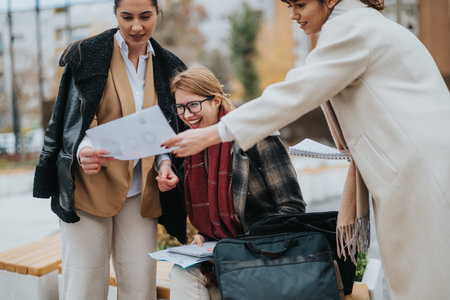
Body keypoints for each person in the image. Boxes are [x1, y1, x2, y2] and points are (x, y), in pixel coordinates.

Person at [163, 0, 450, 299]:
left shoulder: (352, 28)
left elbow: (295, 93)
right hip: (417, 168)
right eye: (288, 5)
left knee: (423, 283)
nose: (292, 15)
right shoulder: (354, 26)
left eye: (300, 3)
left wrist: (217, 132)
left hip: (419, 172)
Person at [33, 0, 187, 299]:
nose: (136, 26)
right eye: (126, 17)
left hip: (142, 193)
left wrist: (165, 163)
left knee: (140, 287)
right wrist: (84, 150)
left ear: (158, 12)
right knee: (84, 285)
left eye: (145, 16)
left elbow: (165, 129)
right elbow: (71, 119)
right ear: (115, 14)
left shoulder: (170, 66)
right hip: (89, 190)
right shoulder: (87, 55)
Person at [167, 66, 306, 300]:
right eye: (180, 107)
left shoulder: (256, 136)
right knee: (181, 272)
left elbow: (292, 209)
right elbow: (213, 218)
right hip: (221, 254)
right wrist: (205, 237)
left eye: (193, 105)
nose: (187, 114)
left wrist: (243, 248)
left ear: (216, 101)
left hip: (264, 253)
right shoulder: (192, 150)